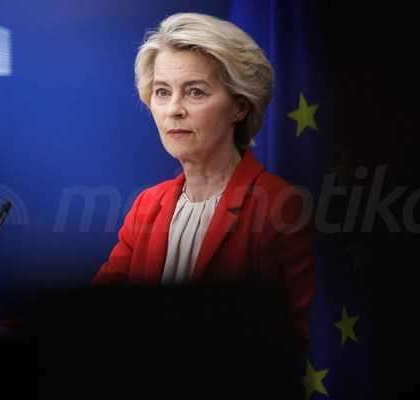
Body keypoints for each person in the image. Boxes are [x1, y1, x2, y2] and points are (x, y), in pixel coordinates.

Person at [92, 12, 315, 351]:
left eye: (195, 92)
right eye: (162, 92)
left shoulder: (280, 206)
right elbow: (95, 313)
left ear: (240, 106)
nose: (173, 109)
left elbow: (291, 342)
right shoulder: (147, 205)